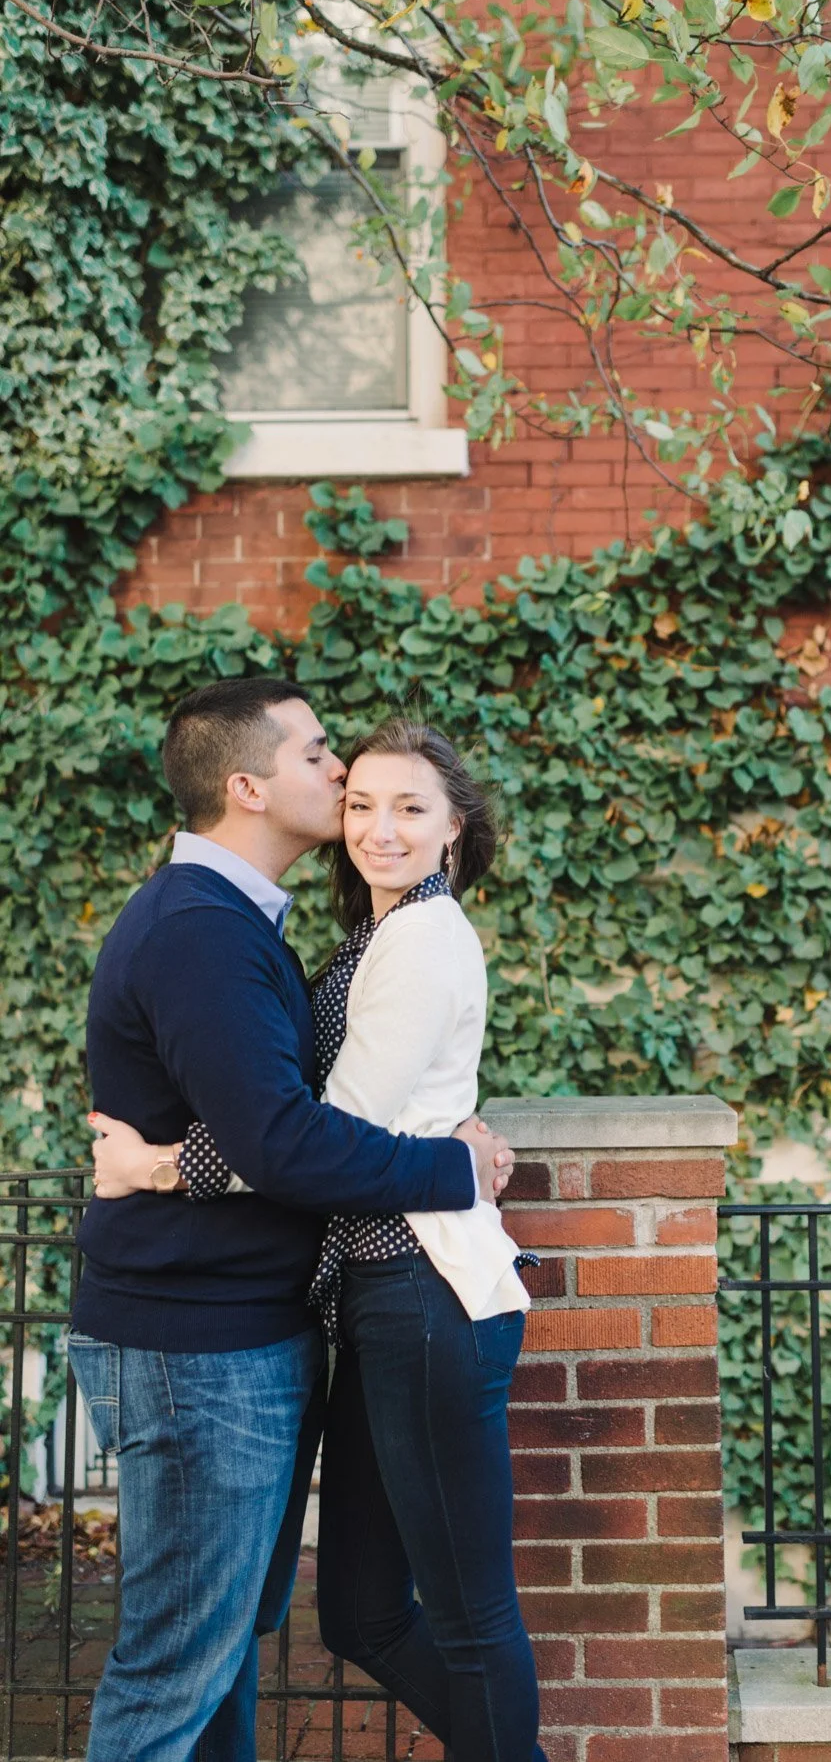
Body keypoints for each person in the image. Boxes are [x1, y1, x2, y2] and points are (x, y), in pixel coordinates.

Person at [70, 679, 515, 1762]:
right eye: (324, 761)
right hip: (194, 1347)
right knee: (179, 1665)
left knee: (217, 1656)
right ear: (249, 786)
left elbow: (306, 1122)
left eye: (401, 802)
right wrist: (453, 1170)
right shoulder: (202, 931)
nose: (345, 783)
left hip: (246, 1331)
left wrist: (165, 1163)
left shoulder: (253, 924)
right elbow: (291, 1144)